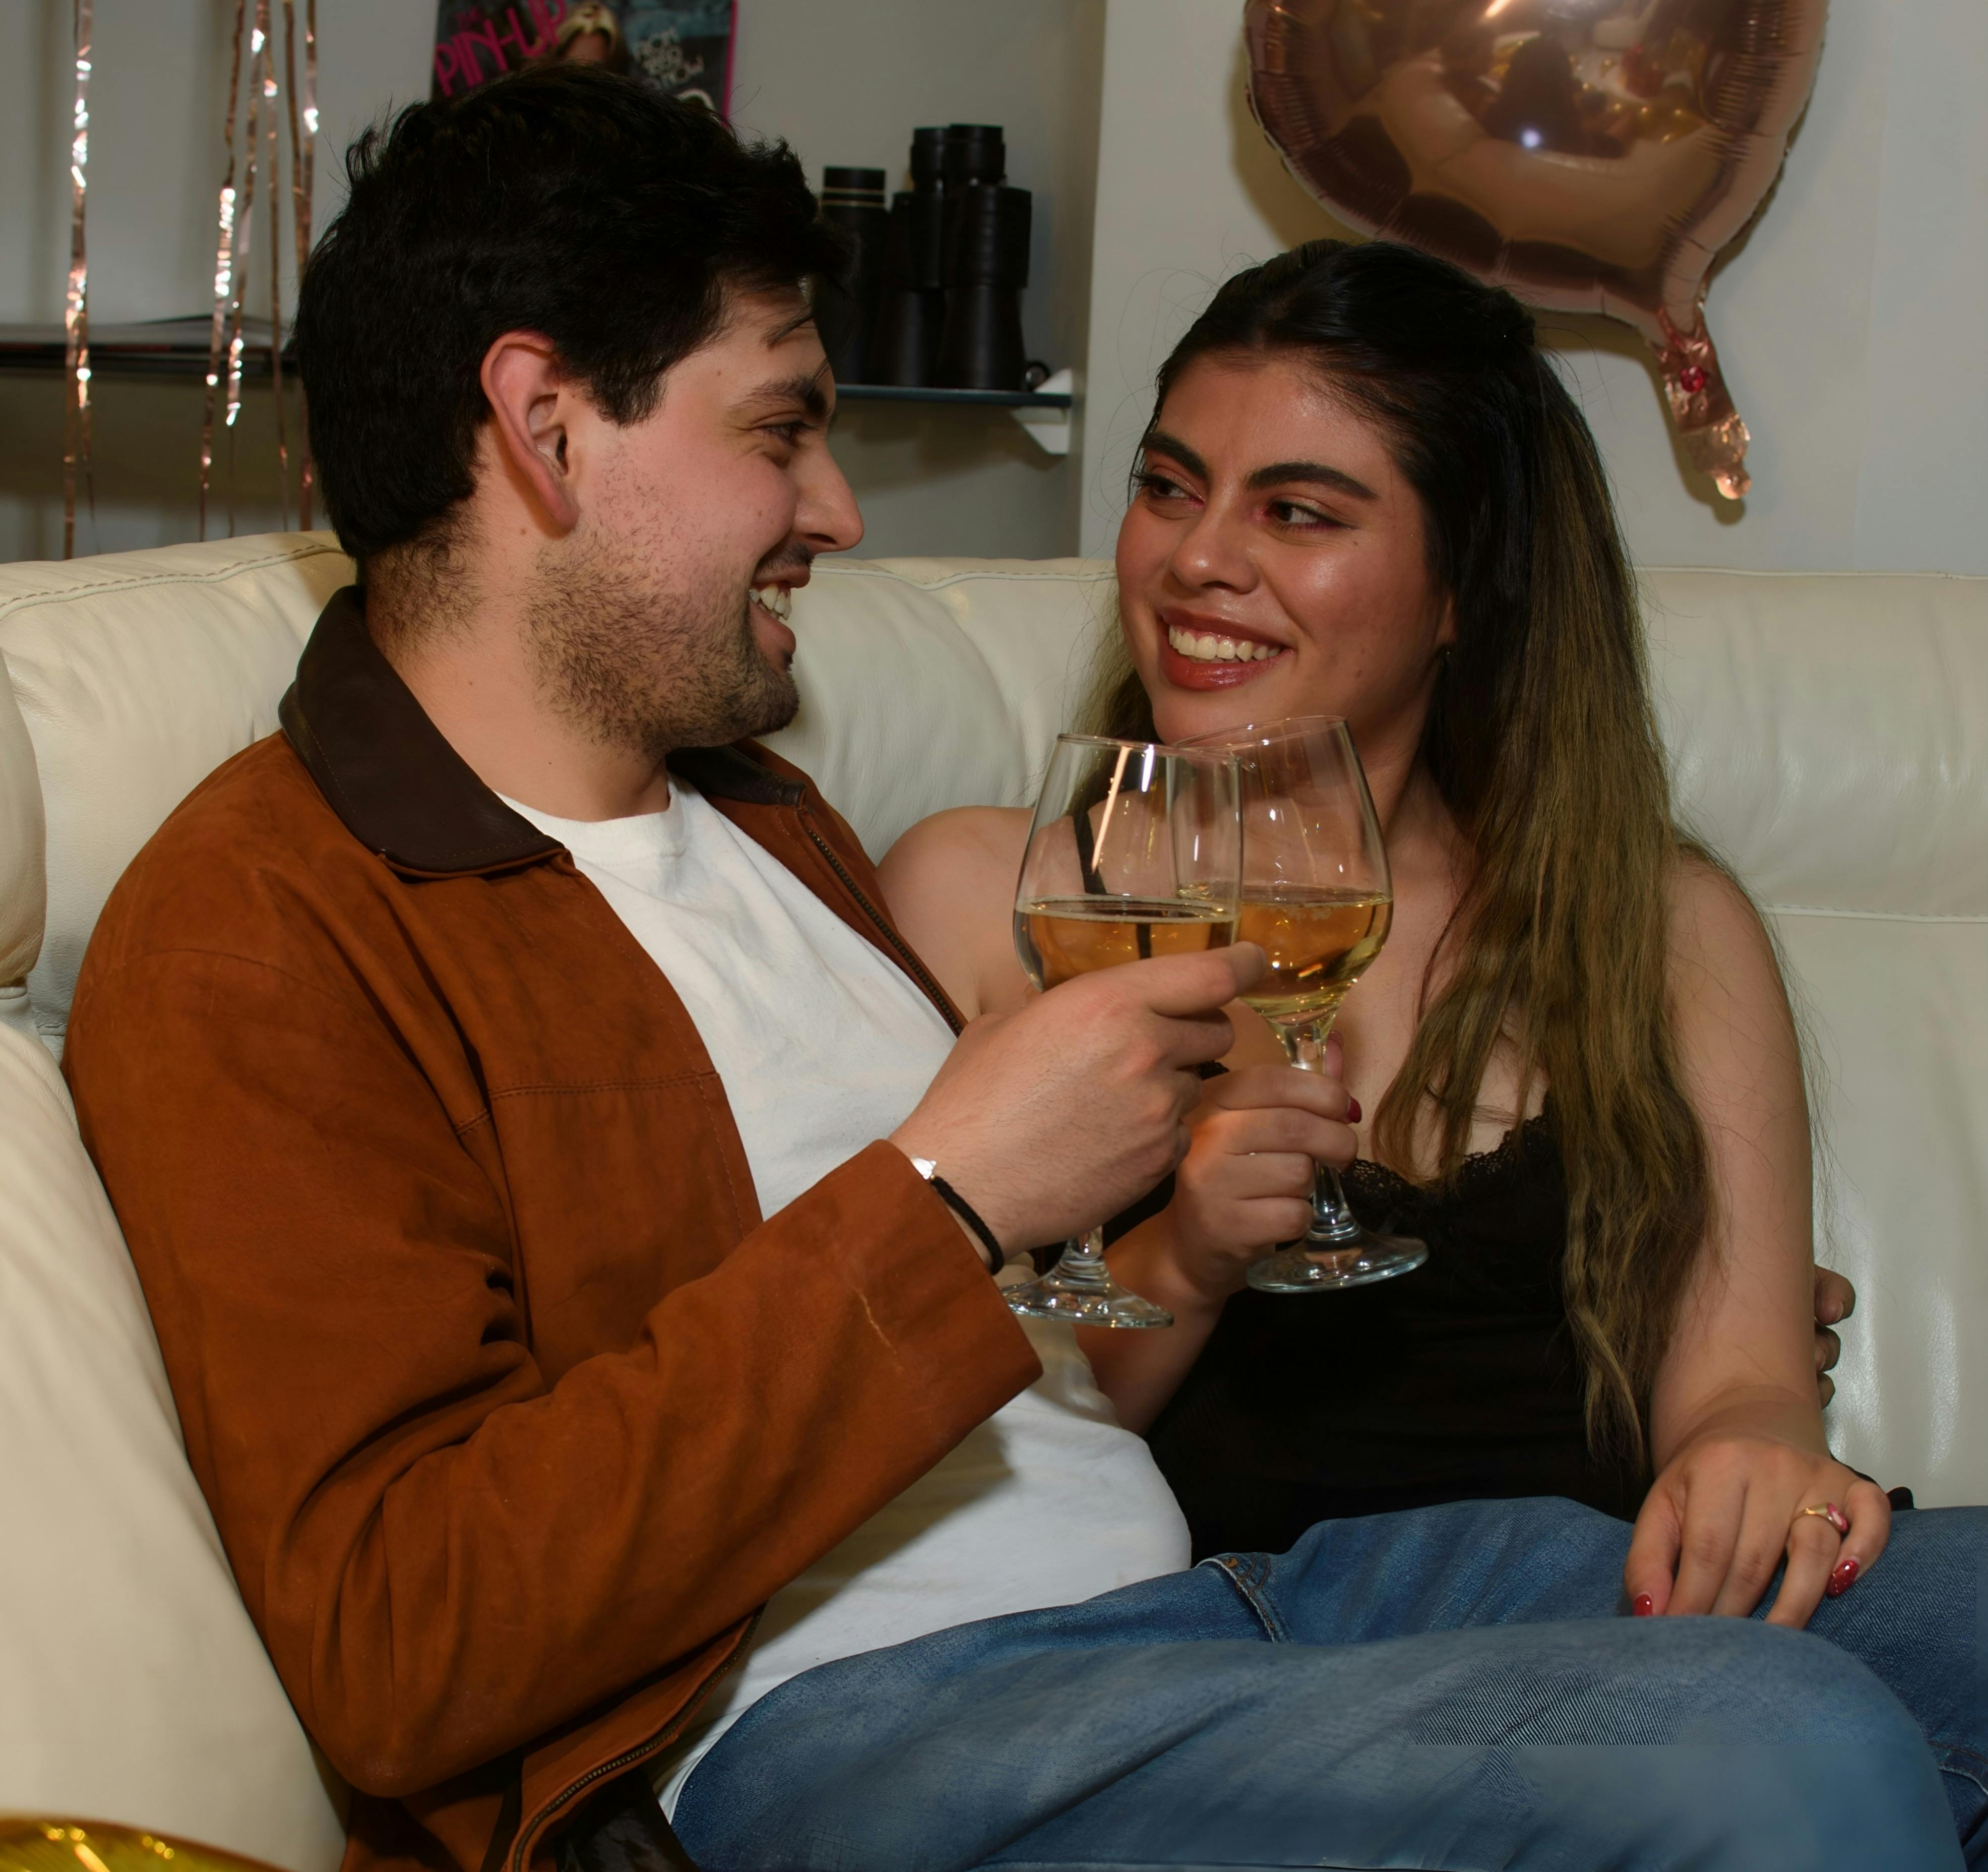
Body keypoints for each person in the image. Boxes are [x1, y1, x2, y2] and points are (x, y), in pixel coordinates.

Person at [60, 70, 1982, 1872]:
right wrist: (953, 1192)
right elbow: (409, 1644)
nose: (838, 513)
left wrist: (1734, 1385)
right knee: (1770, 1749)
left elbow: (1044, 1357)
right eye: (784, 429)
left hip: (1213, 1613)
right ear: (548, 430)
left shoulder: (765, 828)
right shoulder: (272, 923)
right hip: (857, 1721)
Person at [877, 237, 1921, 1612]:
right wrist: (1185, 1256)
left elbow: (1744, 1384)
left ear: (1458, 592)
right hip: (1244, 1646)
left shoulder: (1659, 926)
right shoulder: (985, 901)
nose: (1198, 558)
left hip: (1619, 1620)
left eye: (1298, 512)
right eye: (1169, 486)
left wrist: (1756, 1454)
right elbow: (929, 1420)